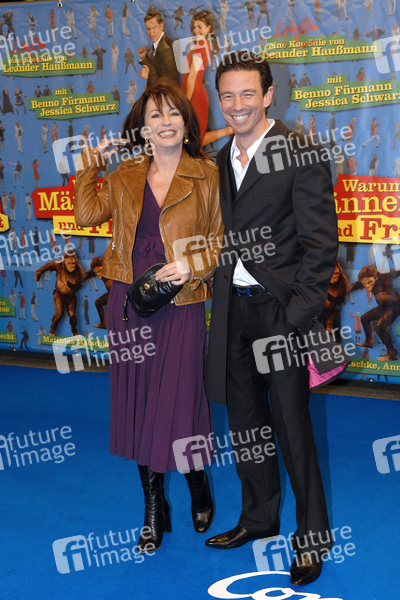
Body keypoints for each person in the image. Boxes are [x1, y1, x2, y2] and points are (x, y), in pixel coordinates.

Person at [204, 52, 338, 587]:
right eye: (228, 95)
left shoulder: (299, 152)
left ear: (268, 95)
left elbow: (321, 247)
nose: (237, 104)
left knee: (292, 428)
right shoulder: (221, 158)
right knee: (245, 425)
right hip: (233, 309)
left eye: (247, 93)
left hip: (279, 312)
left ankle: (312, 539)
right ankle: (259, 517)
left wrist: (296, 315)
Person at [75, 81, 223, 554]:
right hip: (129, 302)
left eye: (173, 113)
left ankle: (197, 480)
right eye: (154, 115)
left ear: (186, 122)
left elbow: (222, 240)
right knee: (140, 404)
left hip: (180, 302)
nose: (165, 122)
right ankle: (153, 507)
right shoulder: (124, 174)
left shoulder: (208, 174)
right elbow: (86, 215)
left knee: (182, 401)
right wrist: (91, 165)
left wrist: (193, 264)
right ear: (142, 127)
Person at [138, 9, 180, 88]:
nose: (151, 33)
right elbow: (156, 70)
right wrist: (144, 58)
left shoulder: (166, 49)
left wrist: (149, 76)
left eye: (154, 28)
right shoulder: (159, 44)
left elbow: (171, 82)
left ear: (161, 26)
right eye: (148, 29)